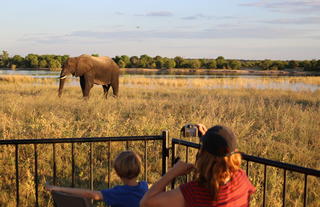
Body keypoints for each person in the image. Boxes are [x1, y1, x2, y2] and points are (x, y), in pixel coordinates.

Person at [140, 124, 255, 207]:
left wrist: (173, 172)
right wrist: (207, 140)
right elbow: (221, 156)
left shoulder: (193, 193)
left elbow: (146, 202)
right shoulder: (241, 179)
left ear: (203, 155)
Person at [46, 150, 148, 207]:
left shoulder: (118, 192)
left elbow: (91, 194)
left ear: (118, 172)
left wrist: (58, 188)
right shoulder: (144, 187)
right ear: (139, 169)